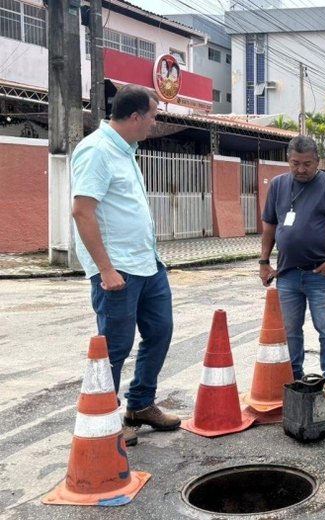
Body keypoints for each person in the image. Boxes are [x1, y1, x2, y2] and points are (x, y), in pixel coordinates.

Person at [71, 85, 180, 447]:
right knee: (115, 347)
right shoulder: (96, 151)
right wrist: (105, 269)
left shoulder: (126, 152)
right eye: (152, 116)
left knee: (160, 332)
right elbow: (82, 212)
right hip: (117, 271)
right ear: (135, 116)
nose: (154, 123)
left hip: (147, 265)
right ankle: (105, 419)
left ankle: (141, 405)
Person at [259, 135, 325, 382]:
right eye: (295, 163)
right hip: (287, 274)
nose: (301, 169)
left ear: (317, 161)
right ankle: (295, 377)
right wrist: (264, 262)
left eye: (307, 164)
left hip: (319, 273)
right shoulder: (278, 185)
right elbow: (269, 225)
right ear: (288, 161)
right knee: (290, 330)